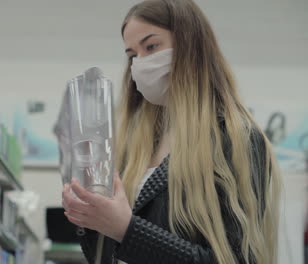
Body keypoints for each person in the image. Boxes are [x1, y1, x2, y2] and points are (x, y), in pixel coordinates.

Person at [61, 0, 281, 263]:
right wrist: (92, 217)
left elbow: (238, 259)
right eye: (132, 55)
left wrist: (126, 230)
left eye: (151, 46)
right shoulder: (137, 144)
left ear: (191, 44)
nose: (140, 64)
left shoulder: (235, 138)